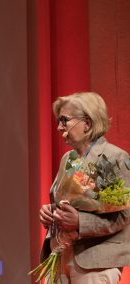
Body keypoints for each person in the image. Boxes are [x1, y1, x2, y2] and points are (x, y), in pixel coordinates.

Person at [39, 92, 130, 283]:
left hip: (94, 263)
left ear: (87, 123)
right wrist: (50, 213)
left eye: (64, 120)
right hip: (60, 255)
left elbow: (123, 215)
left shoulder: (115, 158)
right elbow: (66, 201)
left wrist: (80, 222)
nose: (58, 127)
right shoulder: (69, 159)